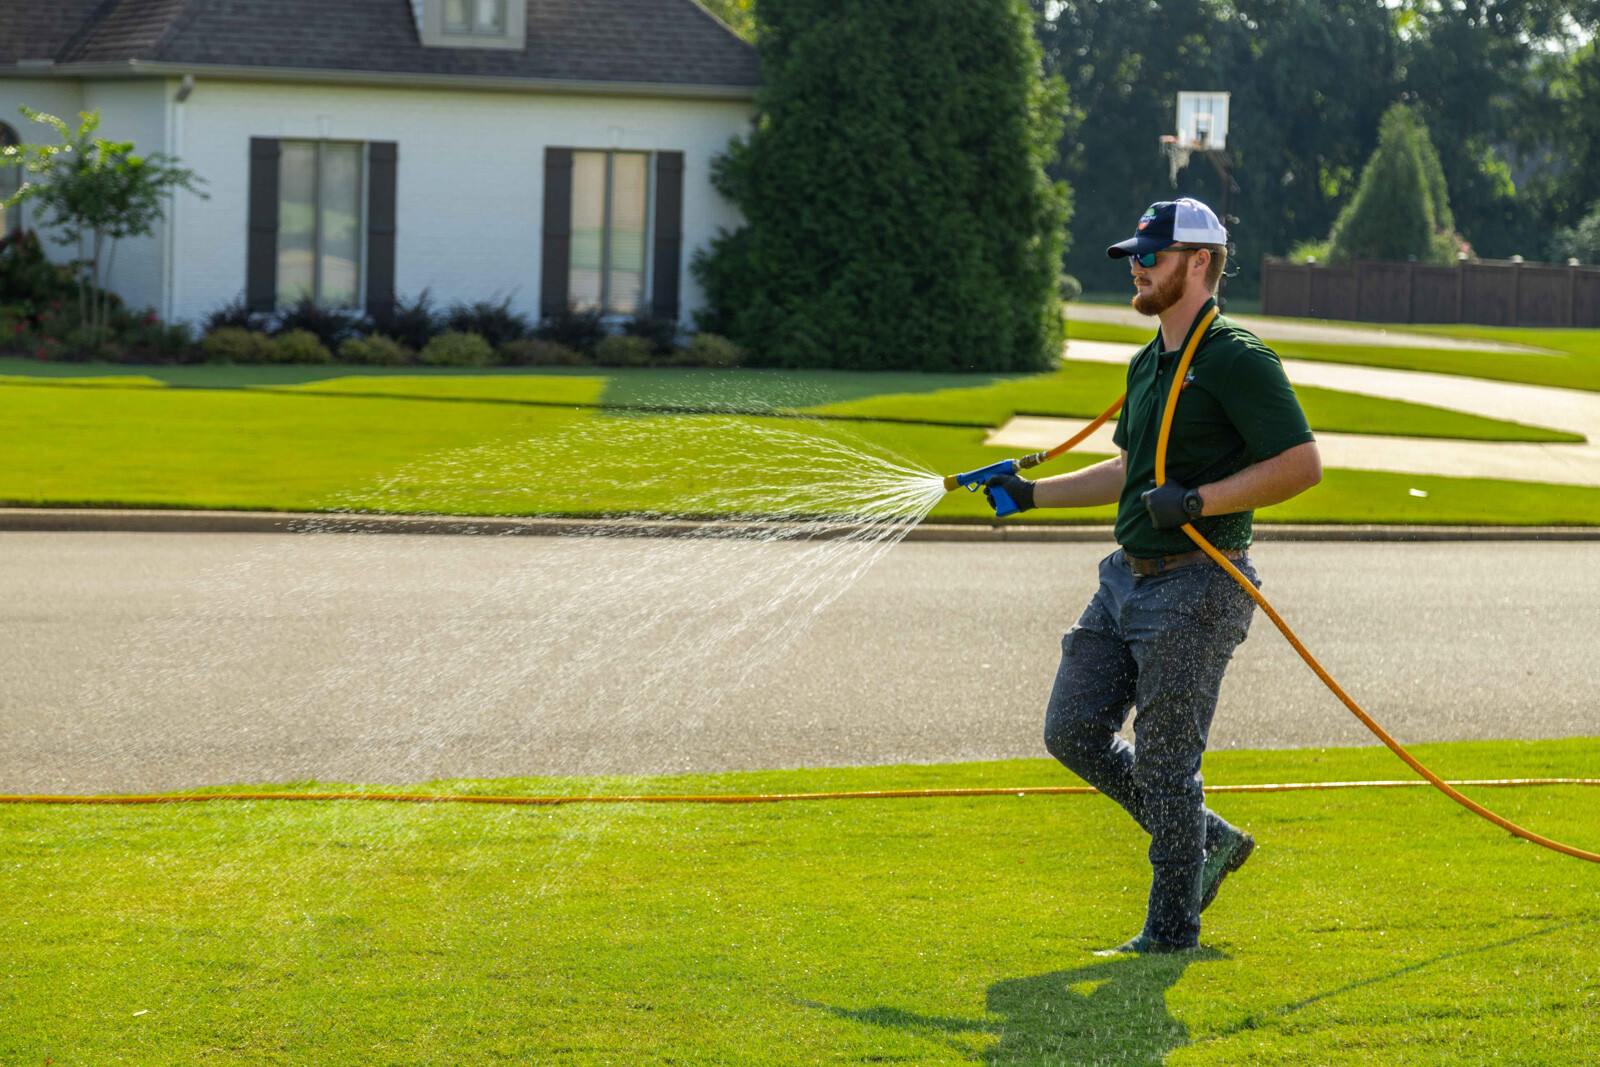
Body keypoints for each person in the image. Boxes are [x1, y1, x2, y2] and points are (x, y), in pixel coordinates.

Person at [983, 198, 1322, 954]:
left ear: (1199, 262)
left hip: (1199, 582)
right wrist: (1032, 494)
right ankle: (1211, 838)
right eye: (1134, 255)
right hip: (1124, 580)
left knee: (1169, 761)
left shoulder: (1235, 356)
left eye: (1152, 255)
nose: (1136, 266)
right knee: (1071, 729)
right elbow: (1135, 468)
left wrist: (1200, 501)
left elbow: (1302, 464)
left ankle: (1170, 932)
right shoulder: (1149, 361)